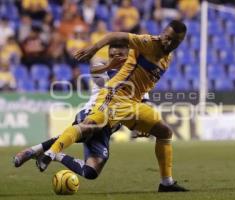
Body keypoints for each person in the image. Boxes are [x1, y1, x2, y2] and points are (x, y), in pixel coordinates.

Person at [36, 20, 188, 192]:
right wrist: (94, 48)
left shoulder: (167, 58)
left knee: (165, 132)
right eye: (167, 37)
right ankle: (50, 153)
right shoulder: (148, 43)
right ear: (162, 33)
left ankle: (166, 183)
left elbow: (143, 83)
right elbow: (115, 36)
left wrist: (140, 122)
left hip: (132, 104)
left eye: (174, 41)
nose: (168, 42)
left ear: (179, 43)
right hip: (114, 95)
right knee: (89, 126)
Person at [14, 43, 147, 179]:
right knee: (88, 129)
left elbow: (143, 104)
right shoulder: (103, 70)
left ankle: (55, 155)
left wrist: (141, 127)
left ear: (128, 56)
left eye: (120, 56)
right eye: (112, 56)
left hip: (109, 127)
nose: (115, 59)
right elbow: (96, 72)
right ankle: (32, 151)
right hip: (91, 113)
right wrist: (110, 65)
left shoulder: (138, 78)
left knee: (91, 172)